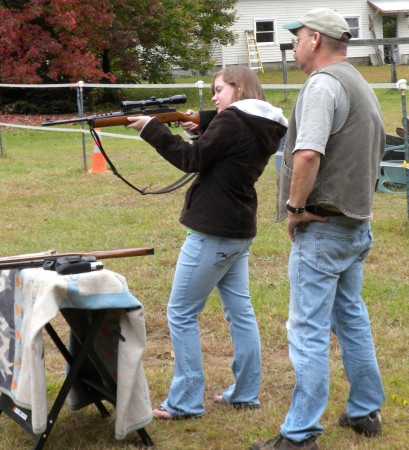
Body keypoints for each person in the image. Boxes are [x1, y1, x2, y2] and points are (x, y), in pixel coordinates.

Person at [251, 8, 385, 450]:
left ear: (315, 41)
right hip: (354, 225)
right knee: (351, 318)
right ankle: (366, 411)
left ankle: (300, 433)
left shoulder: (323, 85)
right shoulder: (360, 83)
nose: (292, 43)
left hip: (324, 227)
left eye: (298, 36)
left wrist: (294, 207)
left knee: (306, 329)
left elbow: (308, 154)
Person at [126, 66, 288, 419]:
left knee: (181, 313)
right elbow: (224, 147)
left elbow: (192, 159)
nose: (214, 97)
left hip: (213, 230)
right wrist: (202, 125)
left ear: (240, 87)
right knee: (240, 313)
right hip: (238, 228)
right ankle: (245, 393)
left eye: (219, 90)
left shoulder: (231, 121)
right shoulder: (262, 122)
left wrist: (153, 130)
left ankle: (184, 401)